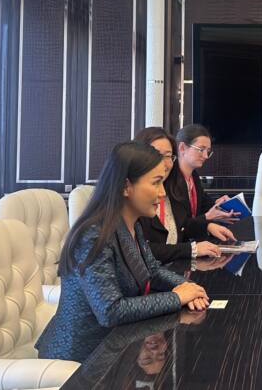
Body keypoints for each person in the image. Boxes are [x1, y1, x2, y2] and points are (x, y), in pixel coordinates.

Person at [36, 141, 209, 362]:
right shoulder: (94, 235)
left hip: (115, 349)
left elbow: (152, 271)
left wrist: (188, 287)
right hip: (78, 360)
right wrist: (177, 297)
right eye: (156, 183)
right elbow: (110, 310)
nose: (163, 192)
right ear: (126, 186)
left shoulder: (131, 225)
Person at [134, 126, 238, 263]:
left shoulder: (192, 177)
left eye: (168, 156)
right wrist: (193, 248)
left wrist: (211, 221)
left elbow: (181, 227)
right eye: (201, 149)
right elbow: (142, 250)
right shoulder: (138, 198)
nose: (205, 156)